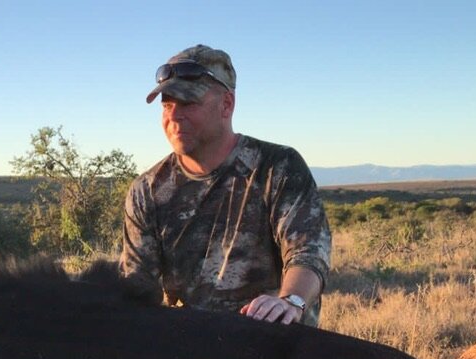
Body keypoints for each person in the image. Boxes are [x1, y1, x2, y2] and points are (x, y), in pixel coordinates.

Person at [120, 44, 332, 327]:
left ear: (227, 104)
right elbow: (136, 286)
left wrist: (290, 301)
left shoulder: (278, 166)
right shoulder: (146, 190)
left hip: (273, 340)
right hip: (190, 348)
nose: (174, 116)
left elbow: (308, 253)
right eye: (168, 105)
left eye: (189, 103)